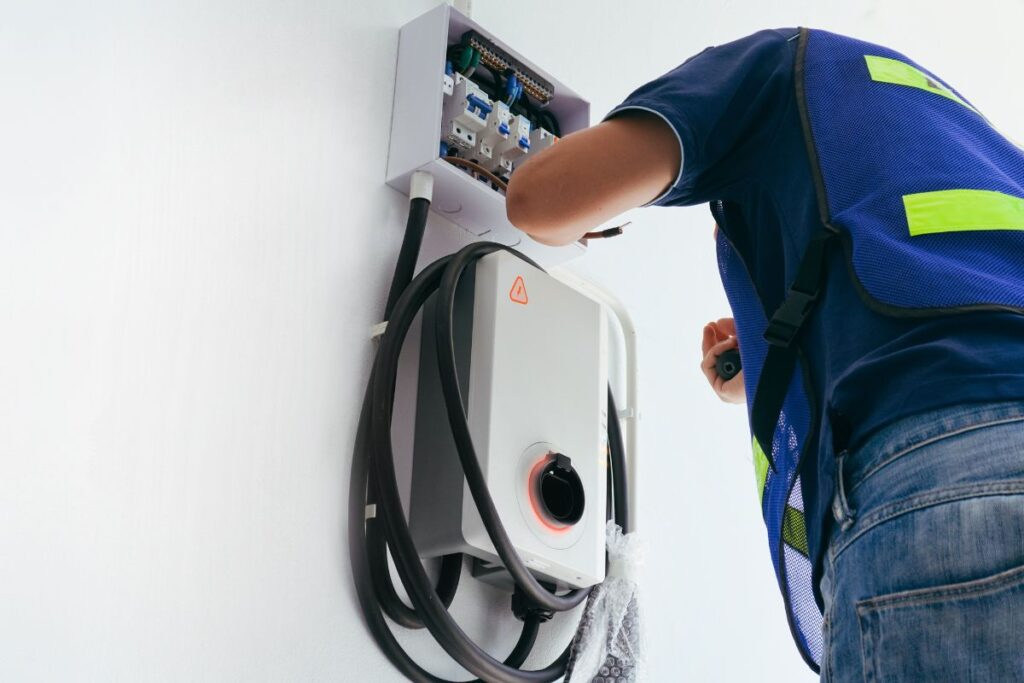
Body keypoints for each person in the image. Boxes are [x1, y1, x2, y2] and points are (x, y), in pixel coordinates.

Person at [506, 27, 1024, 682]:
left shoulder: (779, 66)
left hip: (946, 487)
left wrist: (583, 210)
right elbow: (942, 302)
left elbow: (537, 200)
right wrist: (768, 367)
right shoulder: (980, 147)